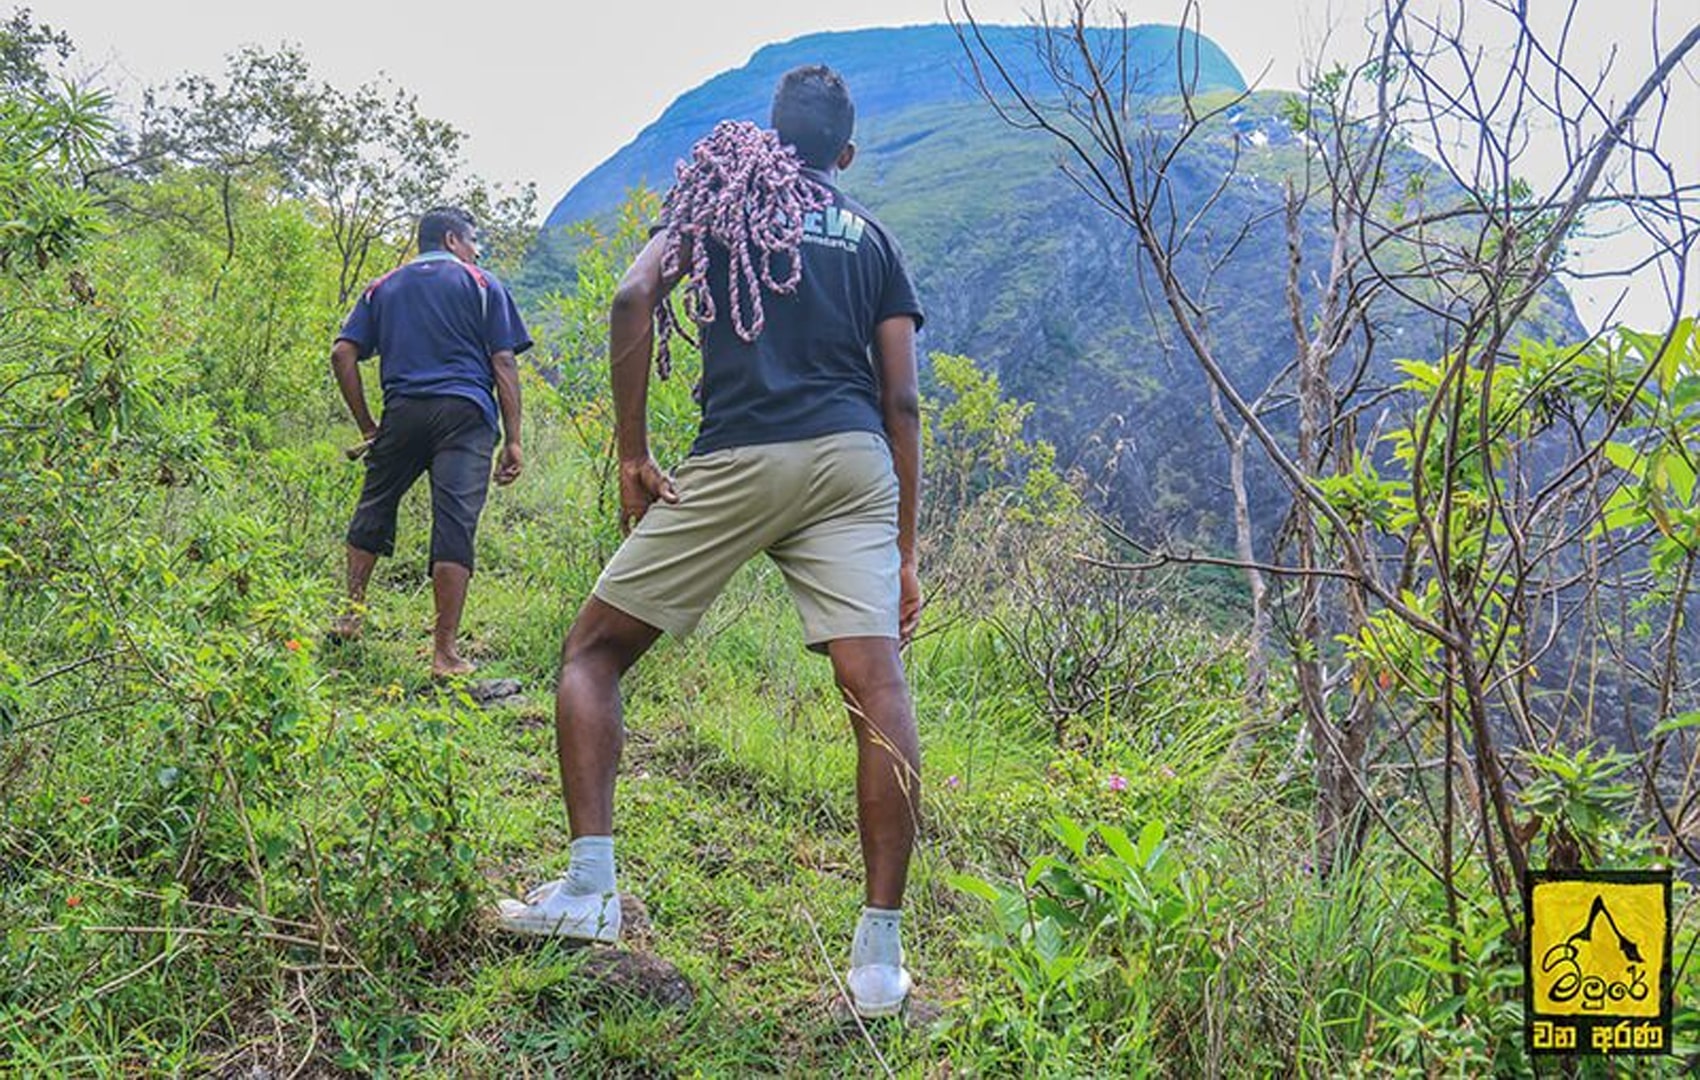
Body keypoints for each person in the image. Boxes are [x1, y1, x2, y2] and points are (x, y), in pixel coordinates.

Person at [494, 65, 926, 1018]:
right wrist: (904, 548)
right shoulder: (876, 238)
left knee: (593, 653)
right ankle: (880, 962)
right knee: (877, 689)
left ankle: (590, 890)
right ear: (845, 155)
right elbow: (900, 397)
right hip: (853, 463)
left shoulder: (718, 200)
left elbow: (629, 297)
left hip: (738, 454)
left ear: (773, 140)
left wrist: (634, 454)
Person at [328, 206, 531, 678]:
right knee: (454, 523)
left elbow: (343, 353)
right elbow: (504, 363)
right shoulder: (483, 284)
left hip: (403, 412)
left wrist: (368, 427)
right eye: (473, 240)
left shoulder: (382, 287)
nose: (477, 250)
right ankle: (444, 654)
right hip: (466, 415)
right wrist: (515, 439)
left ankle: (351, 616)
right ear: (452, 239)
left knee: (375, 504)